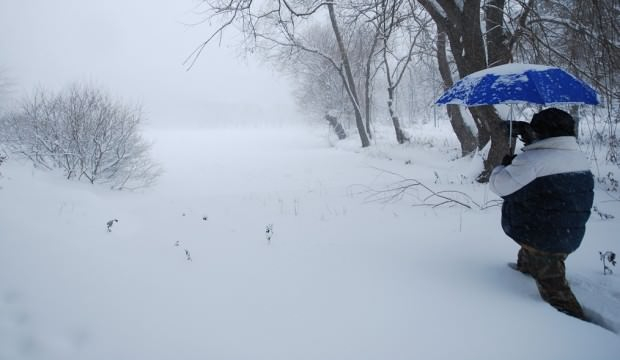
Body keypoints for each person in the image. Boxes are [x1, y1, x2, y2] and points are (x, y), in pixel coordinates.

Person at [489, 107, 594, 320]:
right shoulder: (576, 156)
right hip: (566, 232)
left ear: (542, 132)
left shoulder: (534, 161)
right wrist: (529, 143)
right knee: (529, 260)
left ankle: (575, 325)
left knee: (556, 293)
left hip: (543, 237)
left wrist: (504, 166)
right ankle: (524, 273)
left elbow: (500, 186)